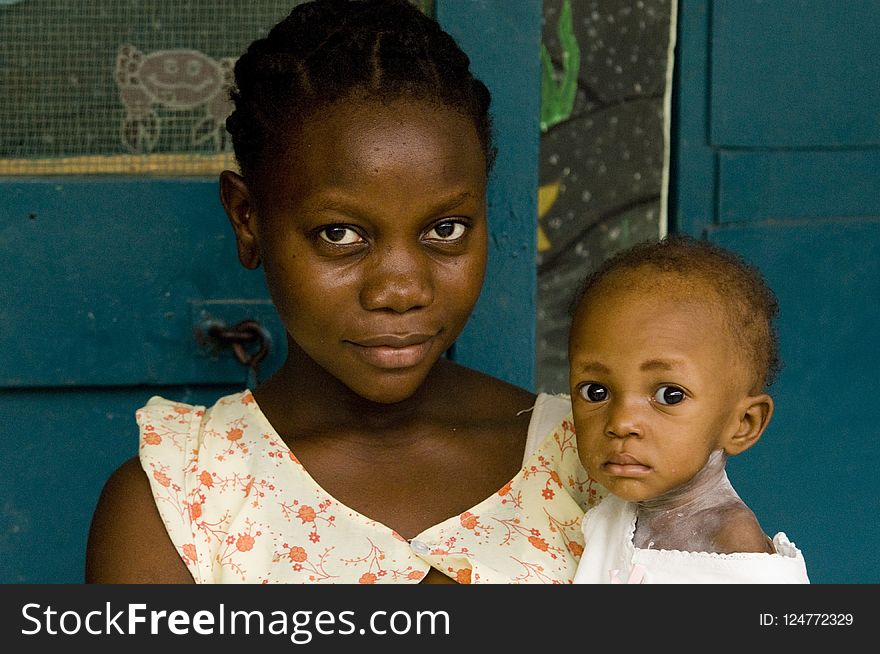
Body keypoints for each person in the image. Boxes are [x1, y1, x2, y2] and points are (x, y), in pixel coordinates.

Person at [85, 0, 596, 584]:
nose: (401, 290)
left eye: (445, 230)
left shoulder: (595, 459)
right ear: (247, 219)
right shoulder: (181, 502)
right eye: (341, 234)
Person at [568, 235, 809, 583]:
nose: (621, 422)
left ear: (743, 424)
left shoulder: (737, 554)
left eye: (670, 395)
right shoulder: (616, 511)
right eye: (596, 391)